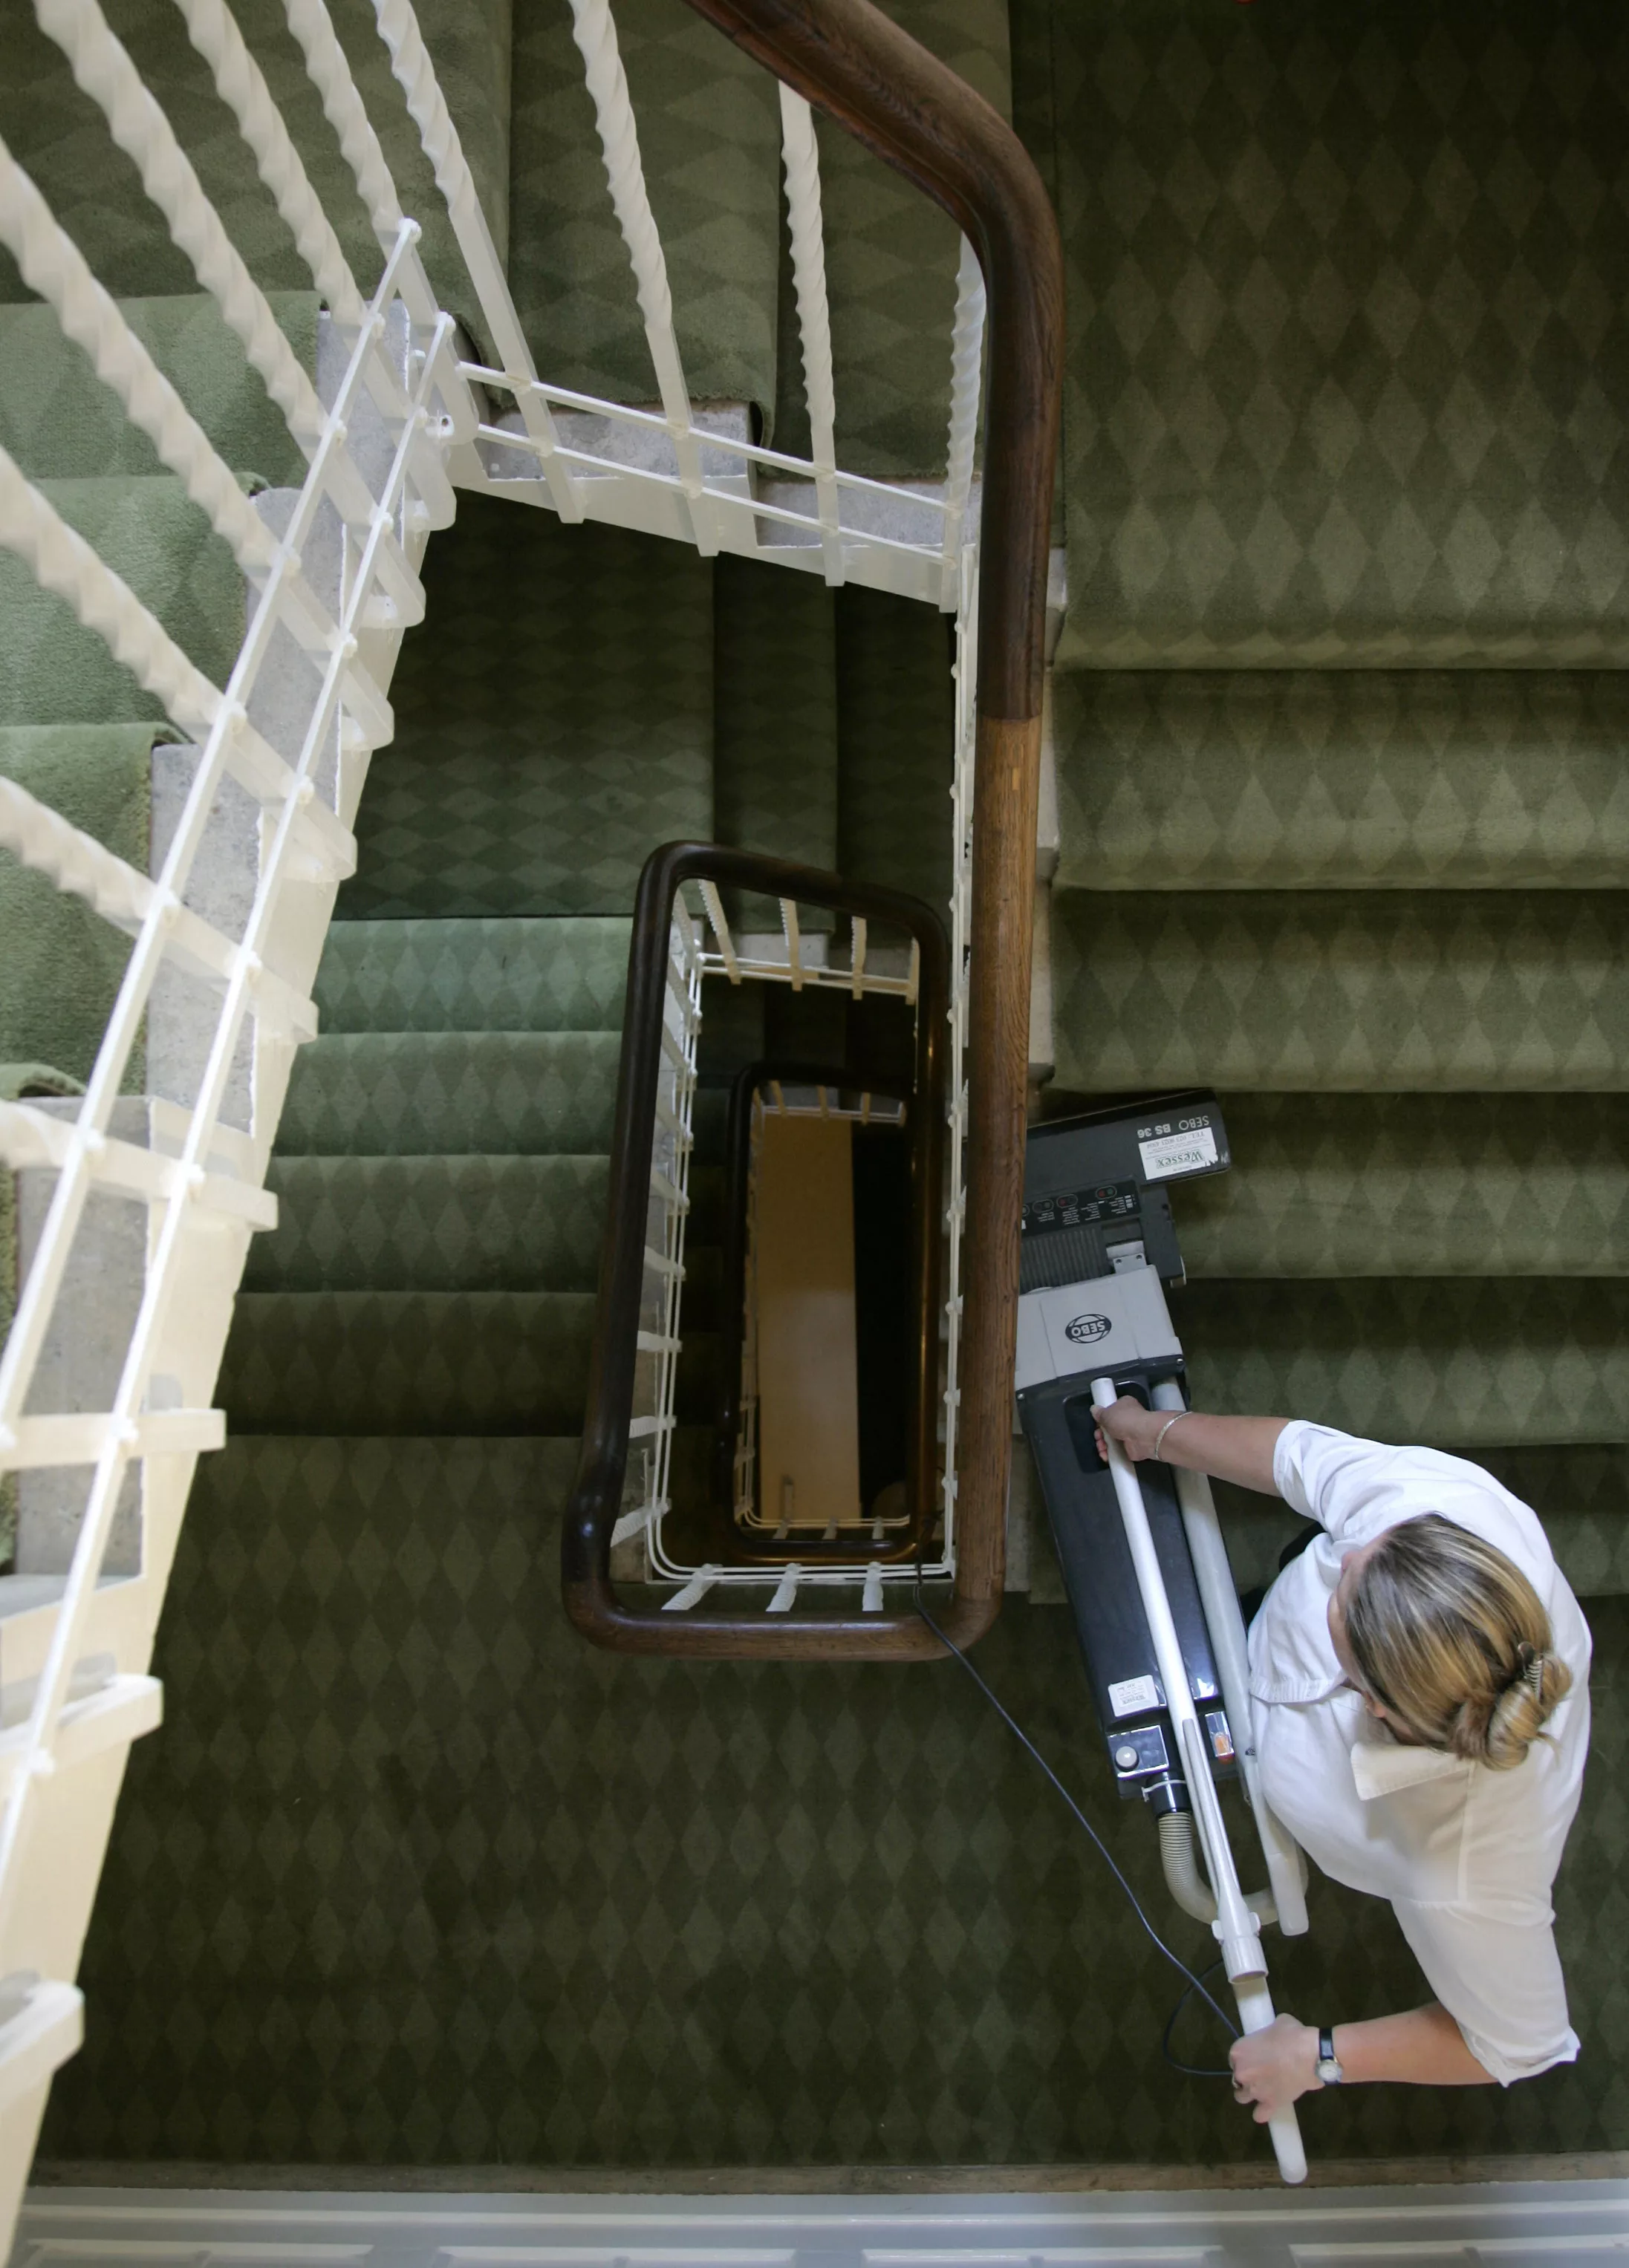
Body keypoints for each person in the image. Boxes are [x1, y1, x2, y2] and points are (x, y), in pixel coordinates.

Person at [1090, 1401, 1592, 2122]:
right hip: (1283, 1659)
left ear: (1372, 1704)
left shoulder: (1473, 1872)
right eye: (1366, 1549)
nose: (1349, 1550)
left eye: (1344, 1592)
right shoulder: (1442, 1508)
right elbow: (1301, 1459)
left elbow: (1520, 2045)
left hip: (1362, 1793)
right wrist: (1159, 1435)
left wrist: (1315, 2057)